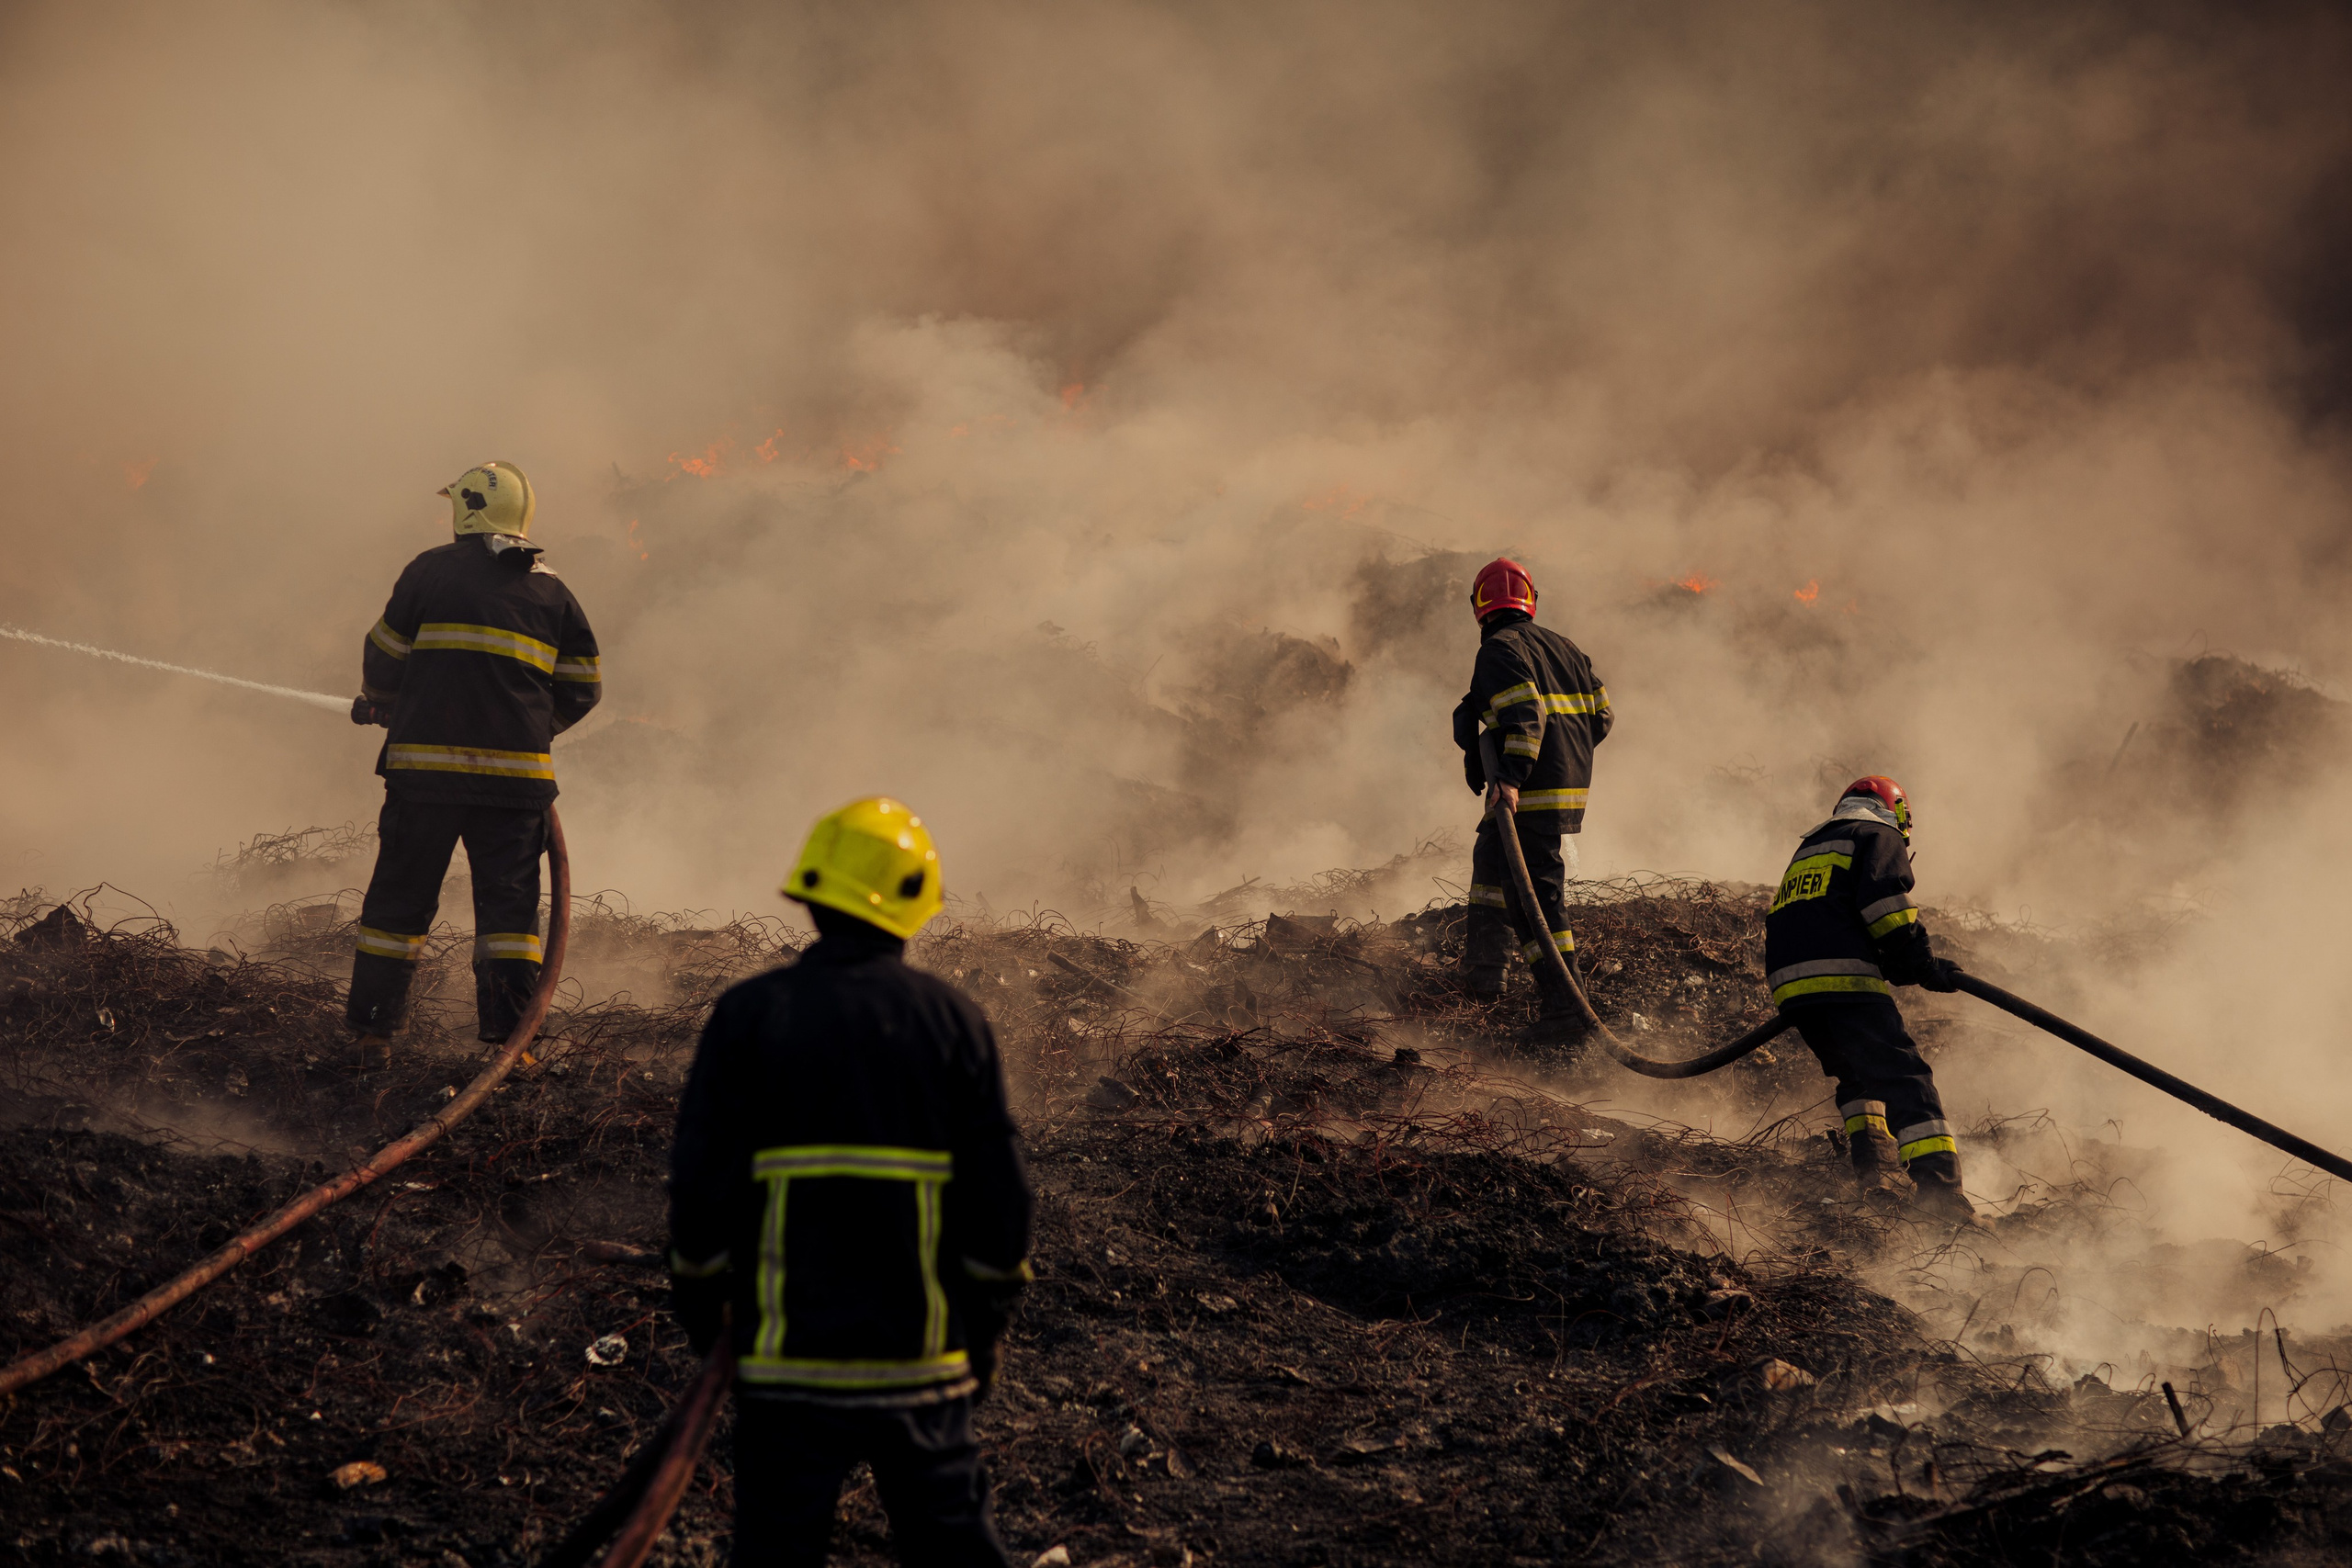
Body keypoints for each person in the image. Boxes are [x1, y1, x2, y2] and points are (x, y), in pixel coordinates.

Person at [668, 798, 1034, 1566]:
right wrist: (983, 1335)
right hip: (921, 1366)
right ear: (915, 905)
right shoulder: (952, 1020)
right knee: (955, 1549)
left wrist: (708, 1313)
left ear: (810, 896)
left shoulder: (747, 1015)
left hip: (787, 1368)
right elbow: (999, 1208)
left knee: (776, 1552)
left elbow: (702, 1187)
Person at [345, 461, 600, 1062]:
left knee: (398, 904)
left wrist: (386, 705)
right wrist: (532, 731)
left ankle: (373, 1035)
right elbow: (584, 686)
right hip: (516, 788)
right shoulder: (552, 589)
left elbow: (383, 656)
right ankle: (513, 1046)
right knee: (510, 916)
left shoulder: (429, 571)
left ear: (466, 510)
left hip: (425, 778)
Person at [1762, 775, 1977, 1226]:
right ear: (1897, 813)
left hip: (1791, 985)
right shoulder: (1876, 834)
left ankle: (1875, 1174)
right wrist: (1922, 961)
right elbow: (1886, 909)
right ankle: (1942, 1197)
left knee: (1859, 1078)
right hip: (1842, 979)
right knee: (1903, 1075)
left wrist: (1900, 965)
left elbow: (1833, 915)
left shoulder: (1812, 846)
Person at [1450, 557, 1612, 1036]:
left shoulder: (1499, 651)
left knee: (1537, 900)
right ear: (1530, 601)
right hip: (1560, 788)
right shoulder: (1568, 649)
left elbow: (1525, 714)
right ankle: (1485, 974)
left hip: (1527, 794)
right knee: (1490, 858)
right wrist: (1567, 755)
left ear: (1480, 606)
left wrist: (1514, 777)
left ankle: (1566, 1010)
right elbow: (1601, 717)